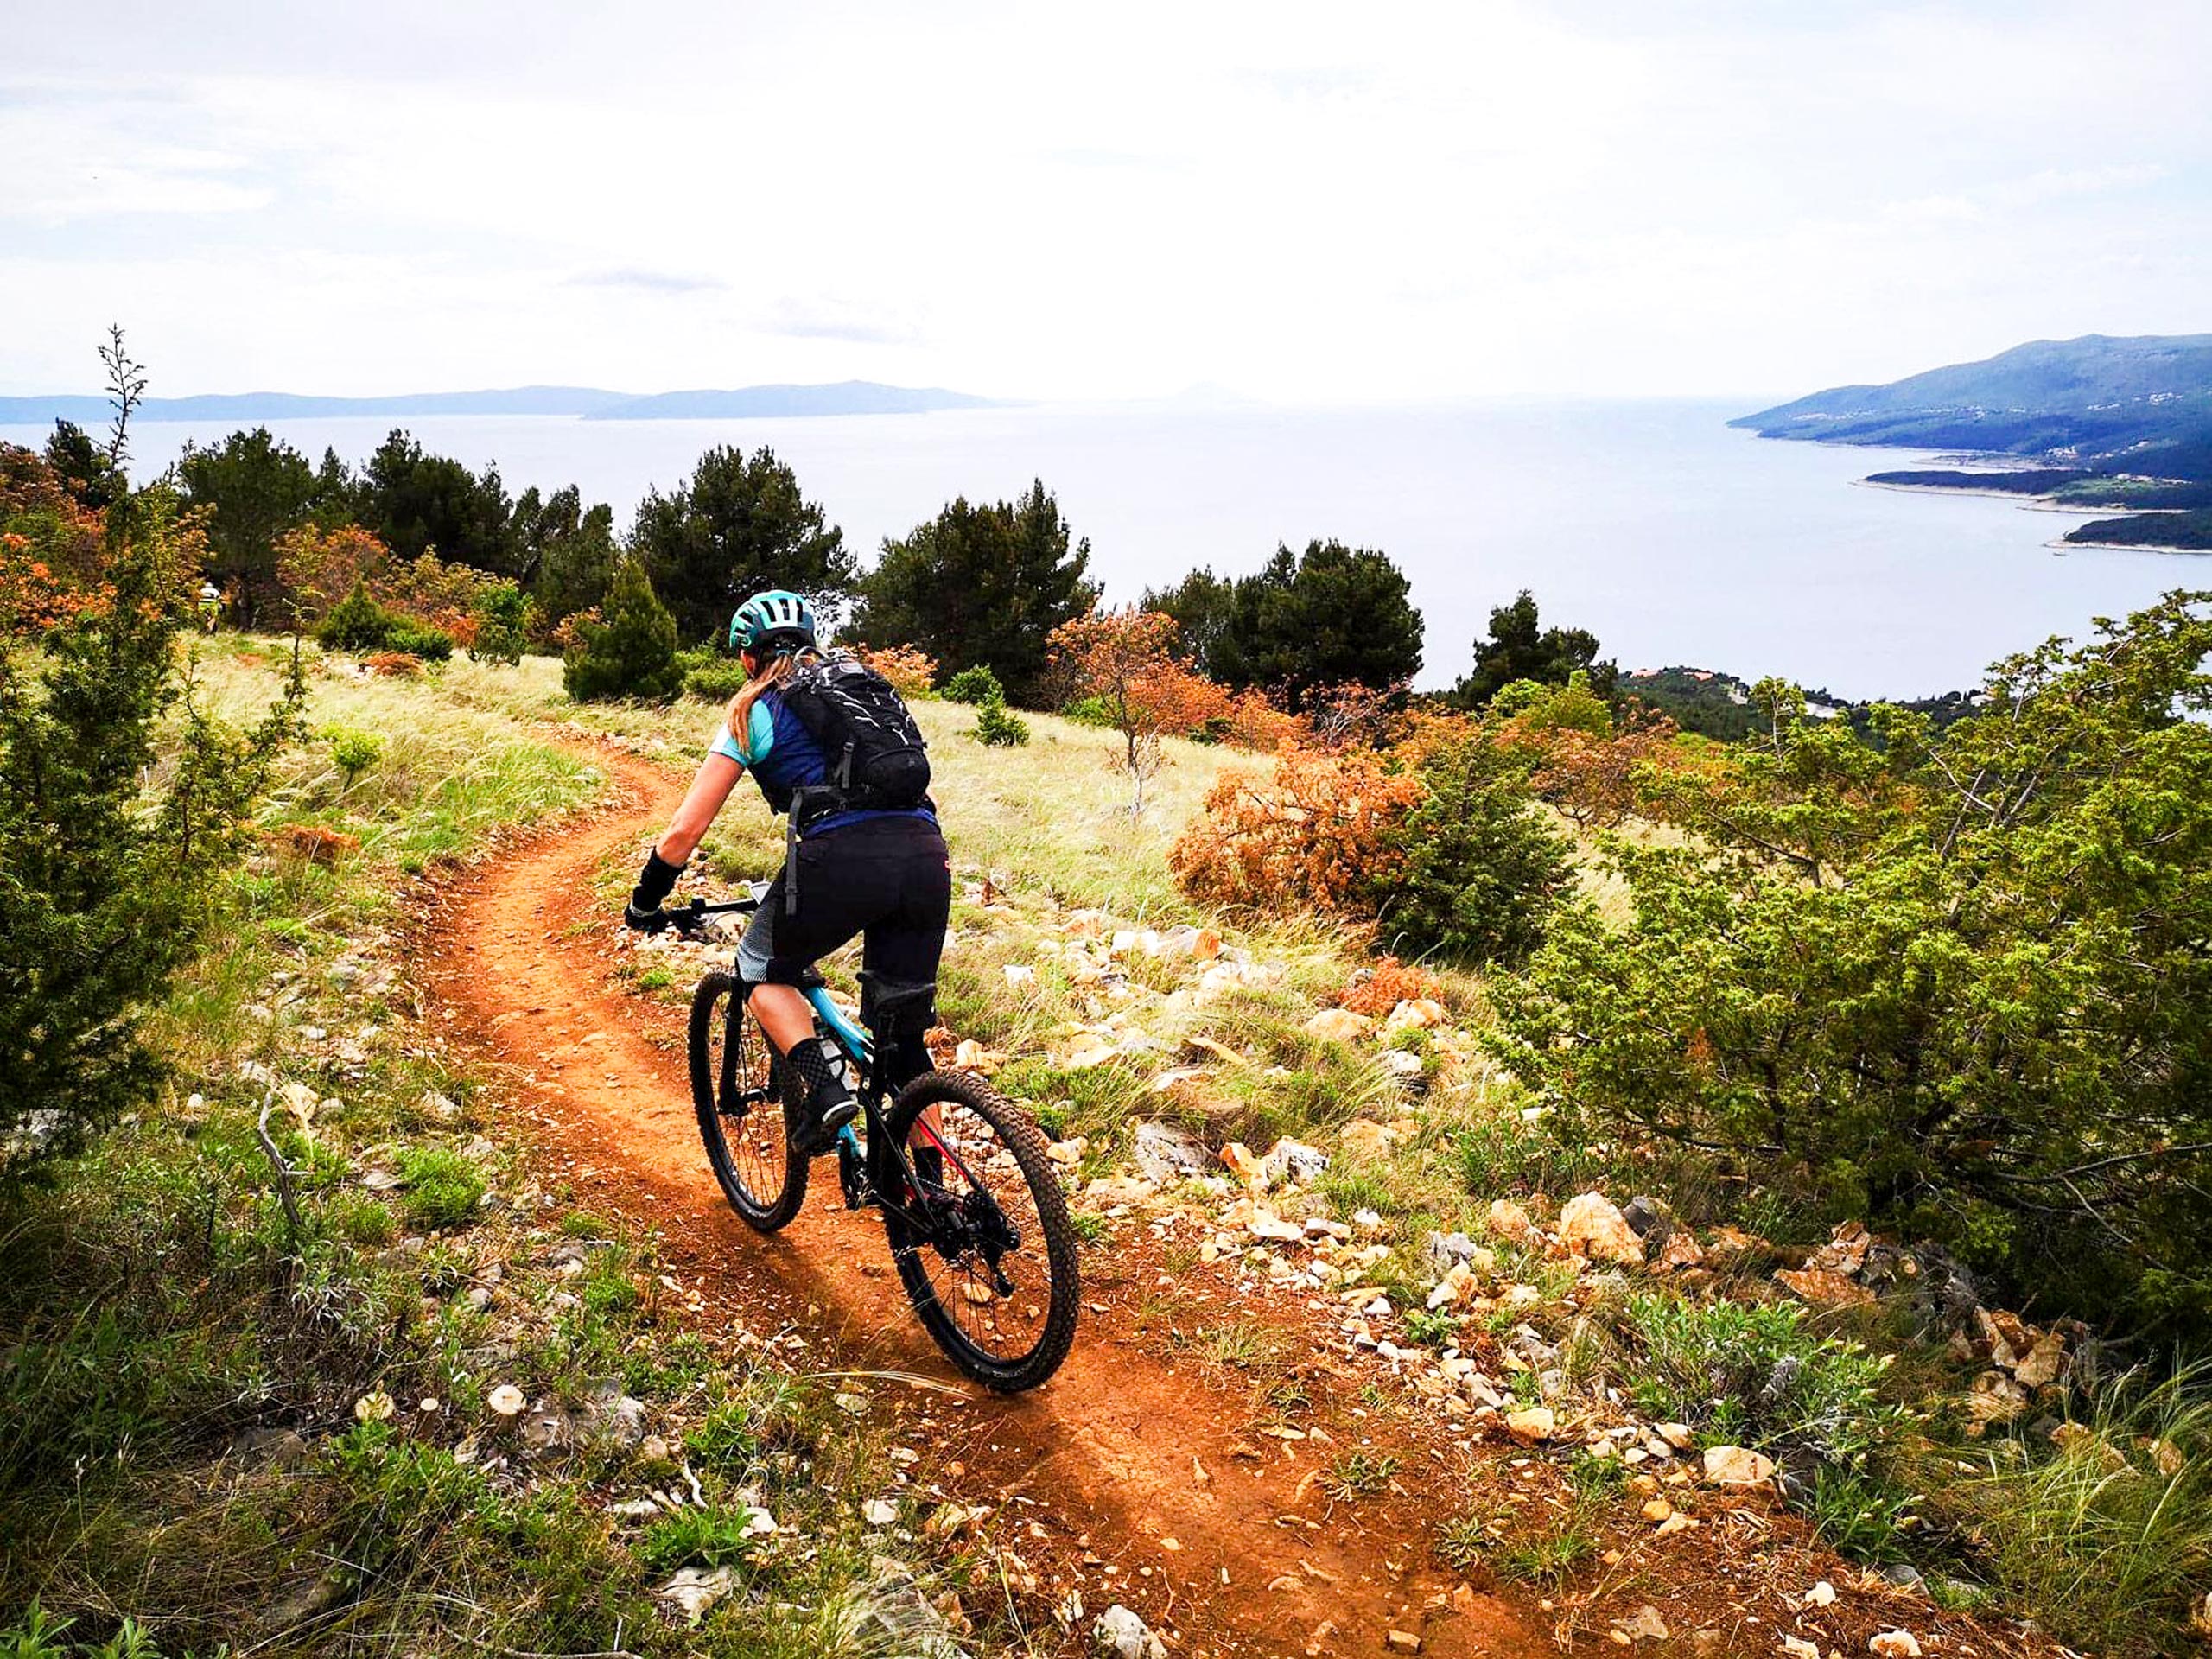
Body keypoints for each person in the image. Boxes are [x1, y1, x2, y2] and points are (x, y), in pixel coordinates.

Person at [621, 589, 950, 1154]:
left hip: (843, 859)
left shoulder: (754, 711)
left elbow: (684, 831)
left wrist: (645, 901)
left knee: (759, 966)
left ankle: (826, 1094)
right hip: (926, 853)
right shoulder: (858, 688)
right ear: (809, 643)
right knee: (903, 1045)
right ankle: (938, 1203)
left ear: (748, 658)